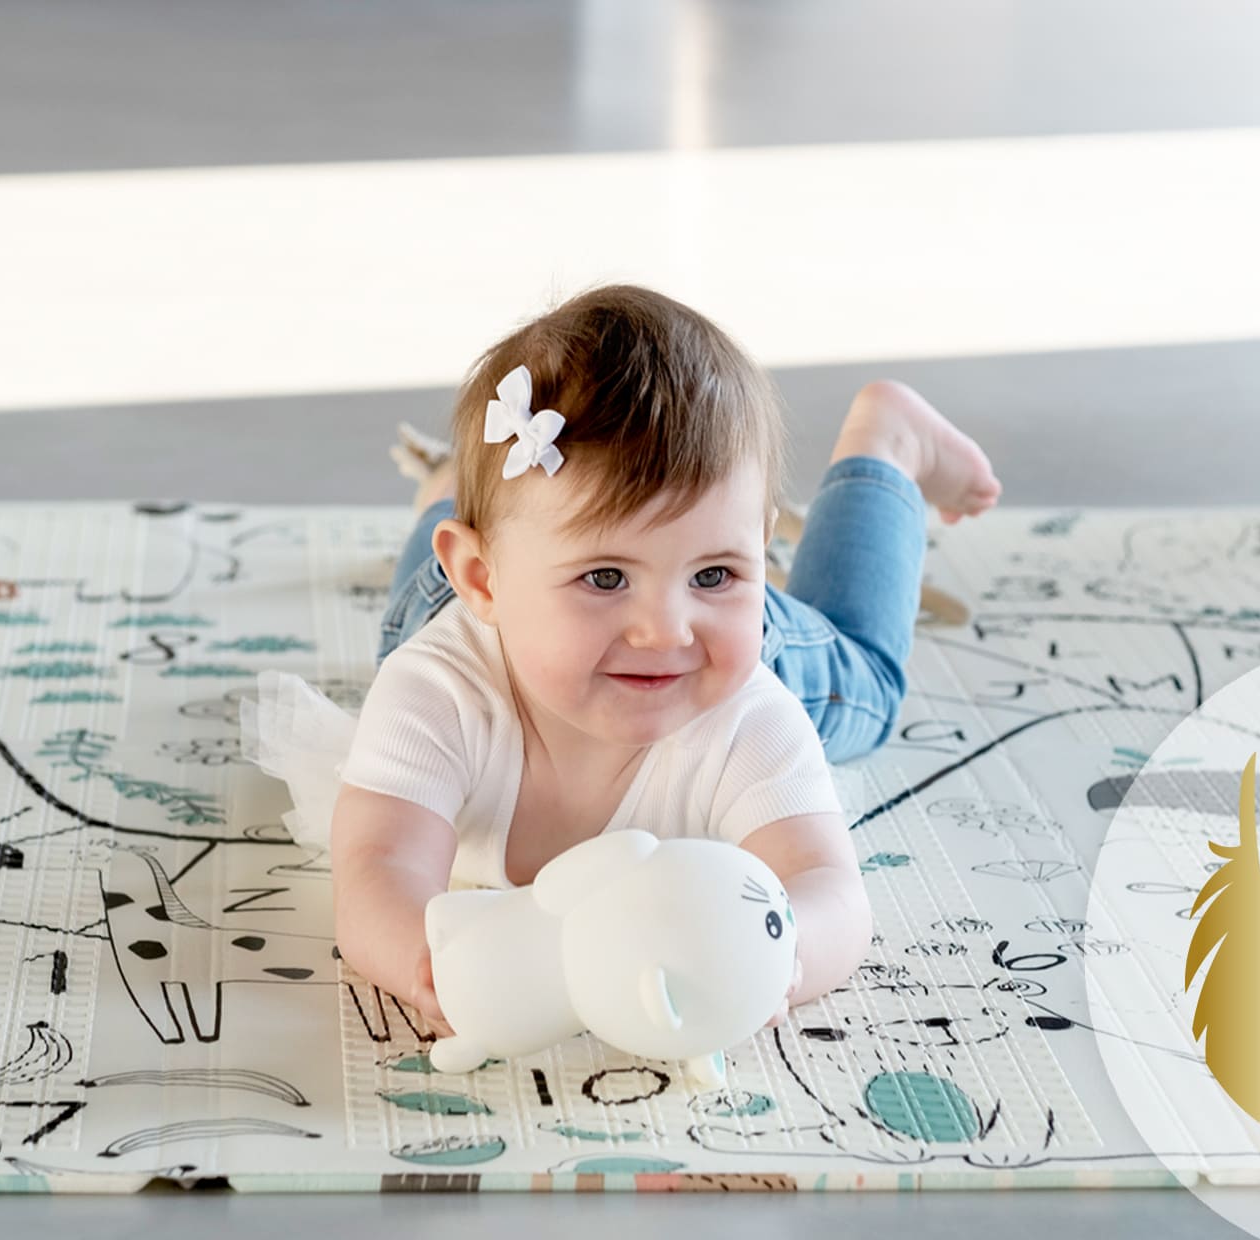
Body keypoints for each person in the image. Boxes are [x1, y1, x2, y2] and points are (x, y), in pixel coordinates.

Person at [246, 283, 1000, 1042]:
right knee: (419, 614)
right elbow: (379, 866)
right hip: (449, 618)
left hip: (728, 638)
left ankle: (888, 447)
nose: (665, 632)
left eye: (716, 572)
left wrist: (784, 955)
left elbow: (829, 886)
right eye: (605, 577)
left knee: (862, 687)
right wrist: (421, 959)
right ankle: (455, 494)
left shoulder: (745, 714)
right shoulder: (437, 695)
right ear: (482, 583)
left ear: (756, 548)